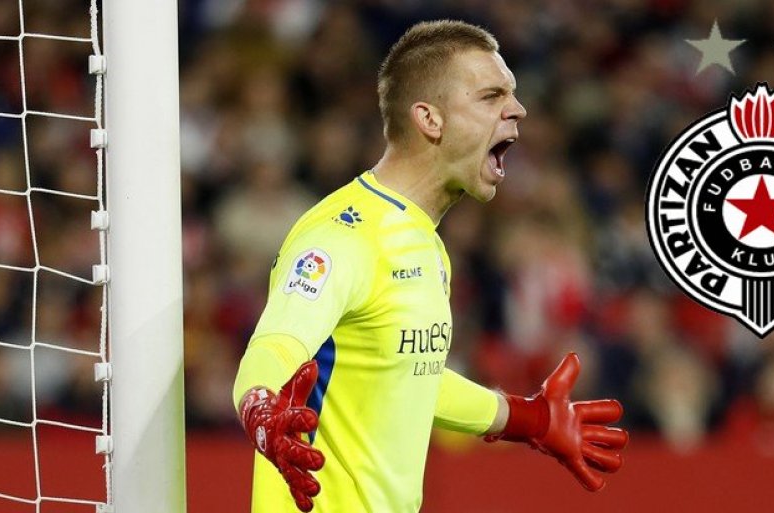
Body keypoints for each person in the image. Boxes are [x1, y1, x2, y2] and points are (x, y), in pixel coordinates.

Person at [232, 20, 628, 513]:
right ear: (430, 120)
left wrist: (529, 419)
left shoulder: (426, 244)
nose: (518, 109)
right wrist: (262, 410)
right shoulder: (343, 235)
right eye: (491, 96)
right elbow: (275, 345)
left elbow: (408, 377)